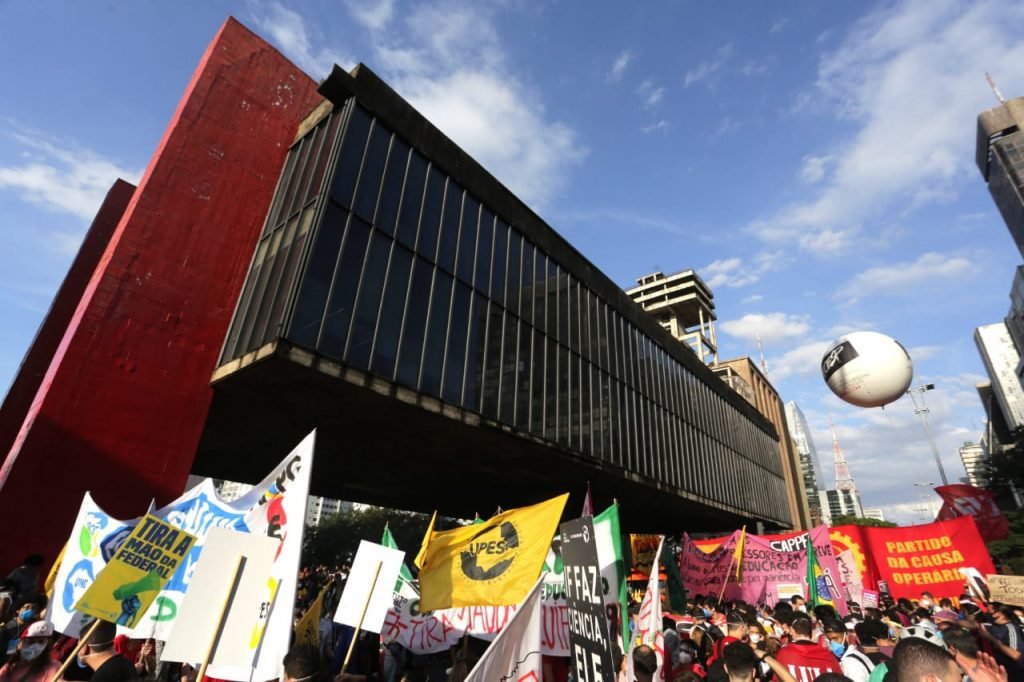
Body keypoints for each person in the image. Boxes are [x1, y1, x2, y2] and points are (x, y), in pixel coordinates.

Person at [773, 615, 842, 680]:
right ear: (811, 633)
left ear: (792, 631)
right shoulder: (828, 655)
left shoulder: (784, 653)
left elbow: (777, 678)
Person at [0, 592, 46, 663]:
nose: (30, 611)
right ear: (18, 610)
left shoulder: (33, 627)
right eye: (27, 607)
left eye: (33, 608)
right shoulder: (6, 628)